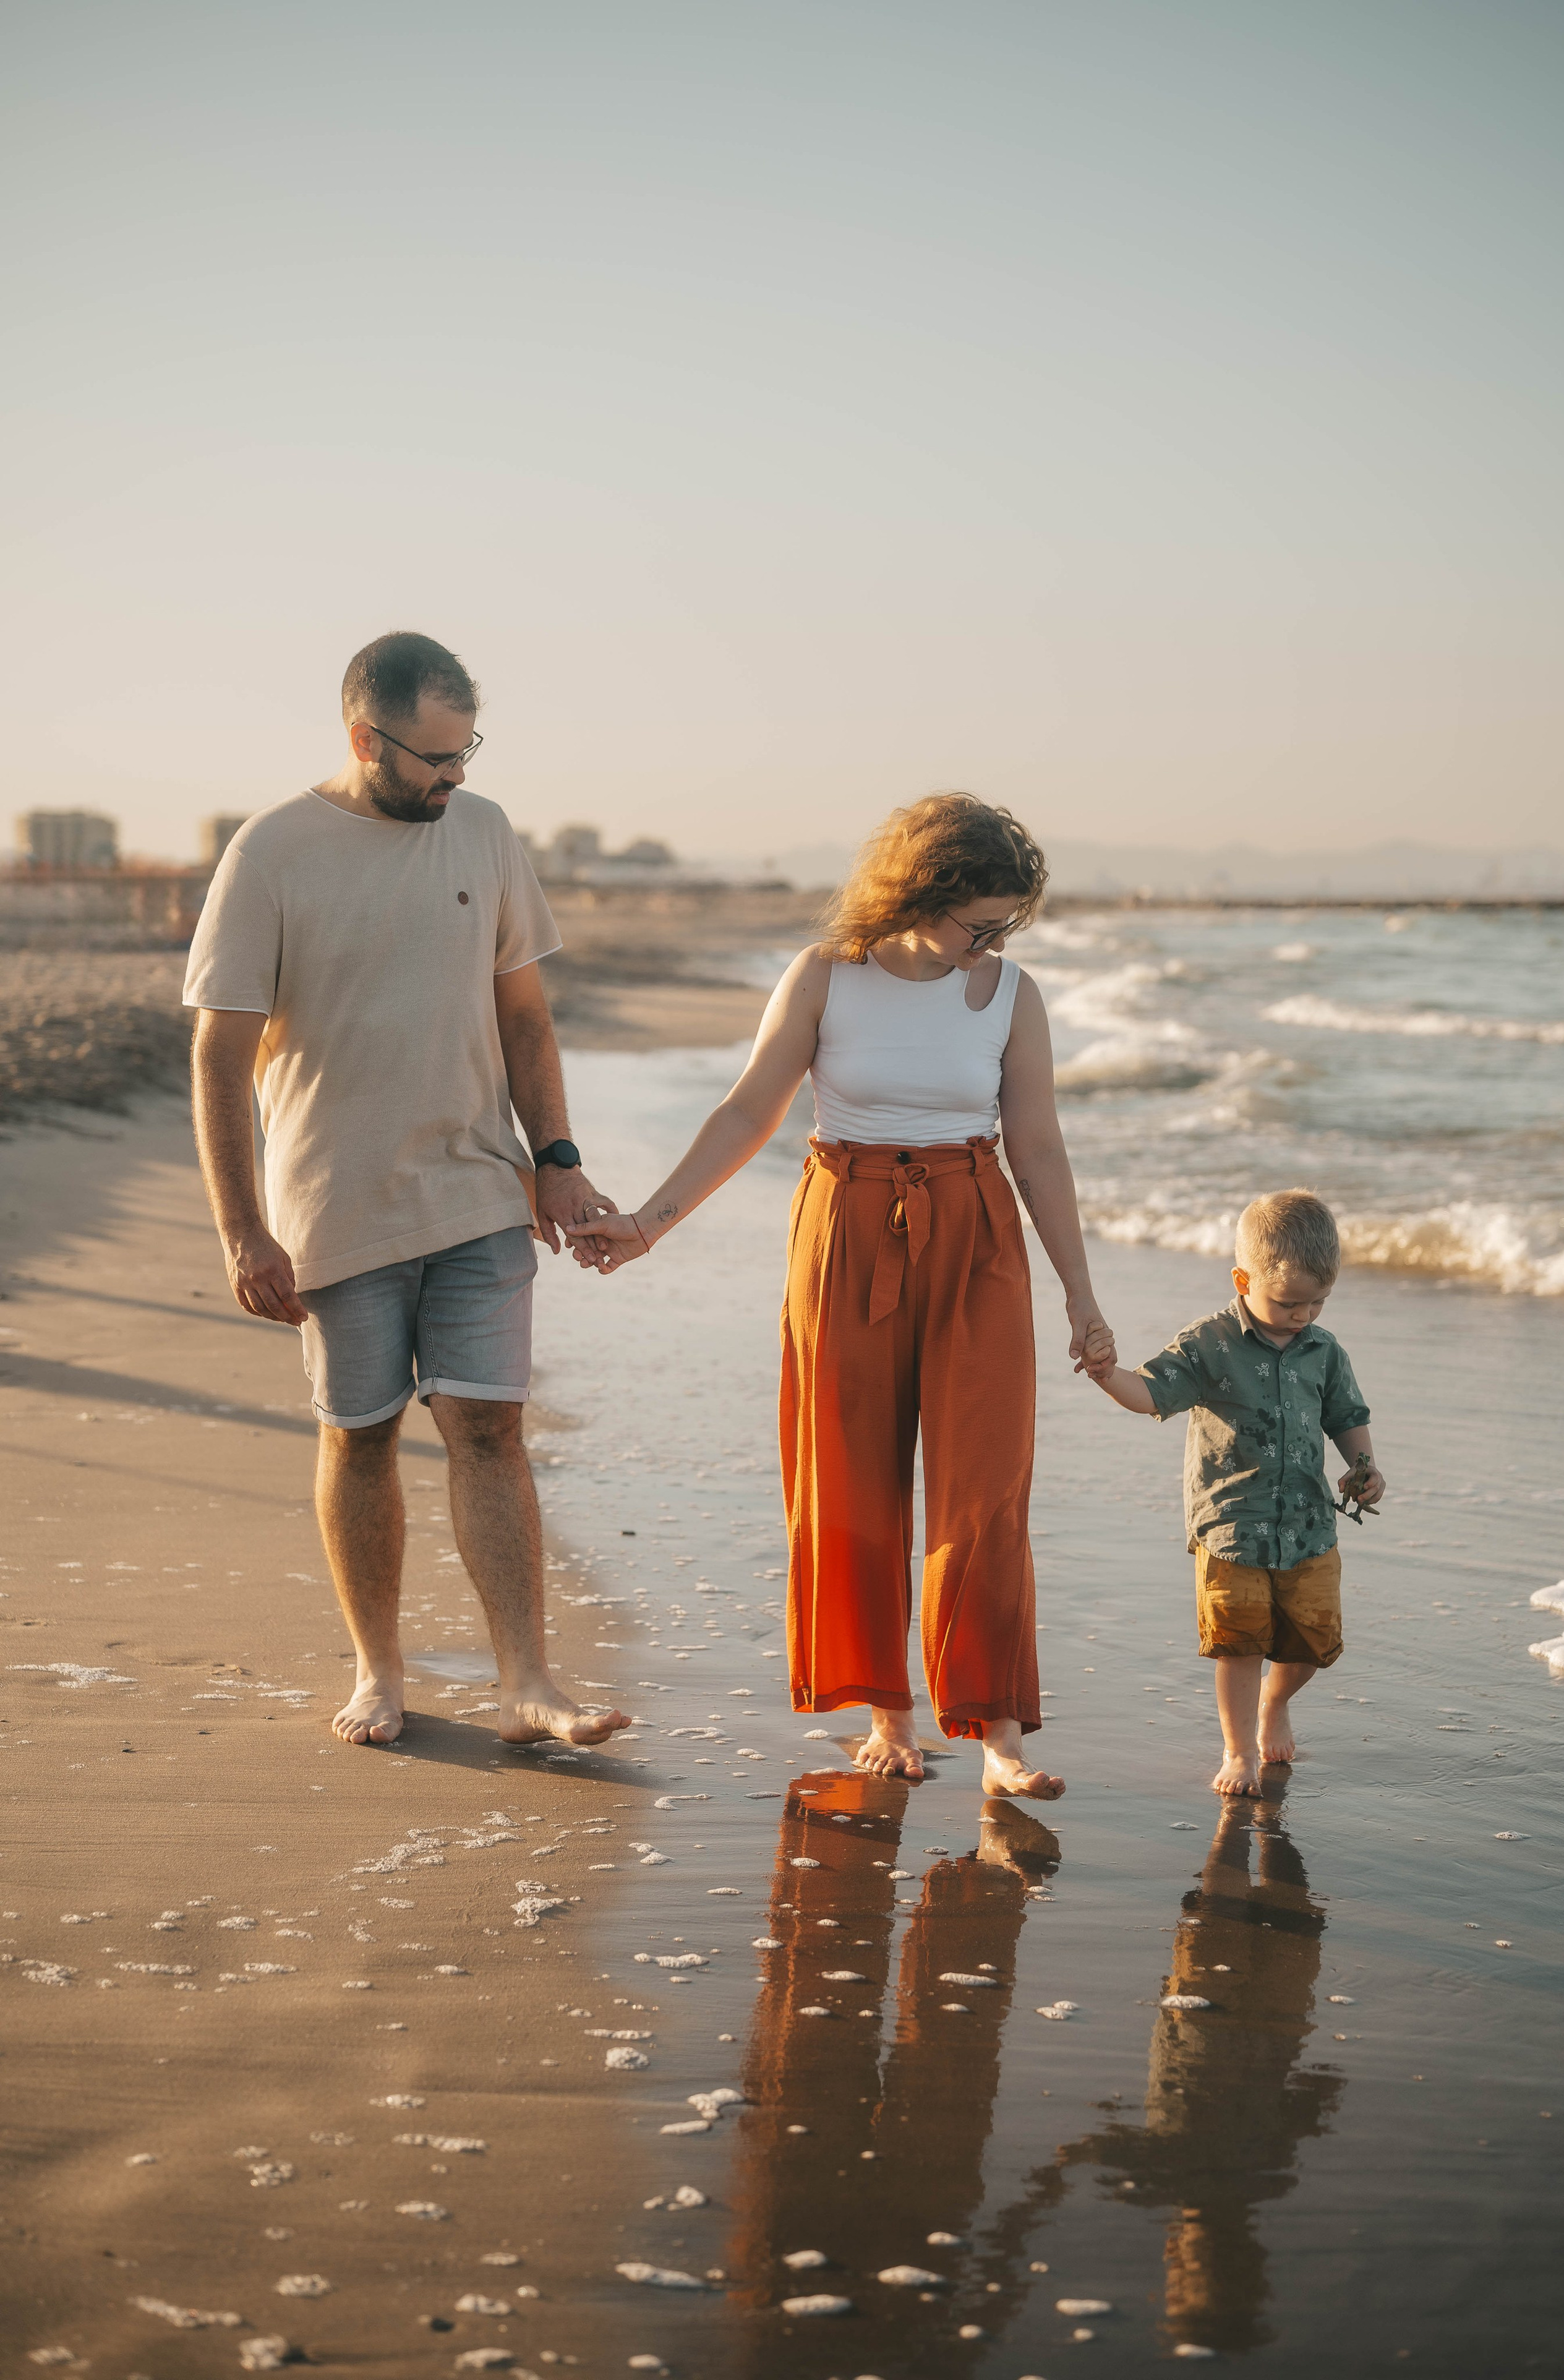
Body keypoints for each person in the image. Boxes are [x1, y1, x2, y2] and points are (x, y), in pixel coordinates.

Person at [569, 793, 1115, 1800]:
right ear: (923, 889)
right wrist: (650, 1222)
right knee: (849, 1475)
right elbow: (747, 1110)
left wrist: (1083, 1296)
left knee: (985, 1483)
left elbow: (1037, 1148)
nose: (991, 940)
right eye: (979, 920)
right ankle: (888, 1714)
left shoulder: (1010, 994)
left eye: (1006, 925)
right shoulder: (827, 976)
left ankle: (997, 1732)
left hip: (976, 1228)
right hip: (847, 1224)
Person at [183, 630, 630, 1755]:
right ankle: (377, 1670)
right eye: (434, 756)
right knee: (362, 1435)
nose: (456, 775)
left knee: (491, 1429)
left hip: (478, 1186)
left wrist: (558, 1156)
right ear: (362, 736)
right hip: (335, 1208)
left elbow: (524, 1016)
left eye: (466, 748)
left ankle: (527, 1678)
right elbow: (219, 1058)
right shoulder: (271, 852)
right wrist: (242, 1228)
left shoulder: (482, 831)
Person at [1088, 1189, 1383, 1795]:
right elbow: (1152, 1392)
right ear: (1242, 1277)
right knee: (1238, 1641)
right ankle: (1238, 1750)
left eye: (1317, 1301)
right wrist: (1107, 1376)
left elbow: (1345, 1414)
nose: (1303, 1313)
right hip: (1231, 1521)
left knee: (1313, 1637)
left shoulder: (1323, 1350)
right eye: (1287, 1301)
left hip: (1306, 1520)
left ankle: (1275, 1703)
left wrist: (1365, 1465)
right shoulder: (1210, 1343)